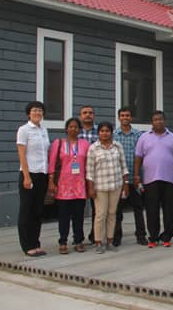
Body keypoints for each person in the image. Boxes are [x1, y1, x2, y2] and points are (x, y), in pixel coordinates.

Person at [134, 110, 173, 248]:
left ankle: (167, 236)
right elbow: (138, 157)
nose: (158, 121)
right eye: (155, 119)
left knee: (169, 209)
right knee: (152, 209)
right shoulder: (144, 137)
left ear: (164, 120)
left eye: (160, 119)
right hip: (150, 179)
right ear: (151, 122)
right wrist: (136, 175)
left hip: (169, 178)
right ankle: (153, 237)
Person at [47, 117, 90, 254]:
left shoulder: (85, 144)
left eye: (76, 127)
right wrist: (51, 181)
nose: (73, 129)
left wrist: (90, 184)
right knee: (63, 216)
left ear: (79, 129)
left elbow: (88, 165)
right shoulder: (58, 143)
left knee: (79, 216)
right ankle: (63, 241)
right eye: (71, 127)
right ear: (66, 129)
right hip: (63, 185)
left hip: (80, 186)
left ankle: (78, 241)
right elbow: (52, 163)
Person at [86, 121, 128, 254]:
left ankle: (110, 241)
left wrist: (125, 184)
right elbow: (89, 171)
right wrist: (90, 188)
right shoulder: (93, 148)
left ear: (111, 132)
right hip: (100, 187)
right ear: (98, 133)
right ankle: (99, 242)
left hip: (116, 185)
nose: (105, 133)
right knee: (100, 215)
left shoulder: (117, 146)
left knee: (112, 214)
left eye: (107, 131)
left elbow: (123, 166)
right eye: (102, 131)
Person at [16, 101, 50, 257]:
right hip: (29, 174)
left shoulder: (44, 130)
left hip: (42, 174)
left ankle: (36, 243)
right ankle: (27, 245)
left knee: (37, 210)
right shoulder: (24, 130)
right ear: (29, 113)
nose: (37, 113)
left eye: (40, 110)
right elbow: (22, 154)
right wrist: (26, 176)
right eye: (34, 110)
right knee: (26, 210)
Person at [113, 107, 147, 246]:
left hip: (135, 177)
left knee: (138, 208)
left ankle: (141, 235)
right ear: (119, 118)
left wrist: (138, 175)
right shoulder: (114, 135)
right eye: (122, 115)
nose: (125, 118)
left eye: (127, 115)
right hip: (118, 179)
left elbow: (142, 154)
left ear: (131, 118)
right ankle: (116, 236)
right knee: (117, 210)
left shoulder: (138, 135)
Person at [78, 105, 99, 244]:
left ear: (94, 115)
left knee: (97, 207)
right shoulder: (75, 131)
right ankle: (78, 237)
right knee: (78, 208)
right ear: (81, 116)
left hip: (96, 174)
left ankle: (95, 235)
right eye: (85, 113)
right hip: (78, 175)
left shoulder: (100, 131)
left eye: (90, 113)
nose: (87, 115)